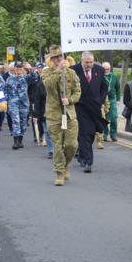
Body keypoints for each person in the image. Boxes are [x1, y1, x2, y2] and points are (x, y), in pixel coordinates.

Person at [42, 45, 80, 186]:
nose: (58, 59)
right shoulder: (47, 73)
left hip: (69, 114)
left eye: (60, 56)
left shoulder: (71, 73)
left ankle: (65, 165)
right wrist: (58, 71)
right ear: (51, 60)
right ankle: (59, 173)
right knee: (58, 146)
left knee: (71, 145)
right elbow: (48, 86)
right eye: (55, 57)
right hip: (54, 115)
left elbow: (77, 91)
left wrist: (70, 100)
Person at [70, 51, 108, 173]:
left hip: (95, 107)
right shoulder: (73, 70)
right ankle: (88, 161)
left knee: (91, 134)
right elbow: (68, 88)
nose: (89, 64)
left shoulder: (99, 70)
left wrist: (101, 100)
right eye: (87, 62)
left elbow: (104, 87)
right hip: (80, 107)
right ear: (82, 61)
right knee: (84, 133)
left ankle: (82, 154)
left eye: (91, 62)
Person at [5, 61, 38, 149]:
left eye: (20, 68)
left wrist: (30, 69)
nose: (18, 69)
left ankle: (20, 140)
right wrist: (6, 103)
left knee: (23, 122)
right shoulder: (9, 79)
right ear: (14, 68)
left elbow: (35, 76)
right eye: (17, 67)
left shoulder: (25, 77)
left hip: (24, 103)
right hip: (13, 103)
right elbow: (6, 91)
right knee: (16, 120)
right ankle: (15, 142)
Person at [29, 62, 53, 159]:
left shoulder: (57, 84)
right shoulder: (39, 85)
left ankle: (59, 148)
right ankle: (51, 150)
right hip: (44, 112)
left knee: (56, 131)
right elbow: (37, 101)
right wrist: (35, 115)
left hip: (55, 111)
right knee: (47, 131)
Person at [102, 61, 120, 143]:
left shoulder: (114, 76)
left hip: (112, 99)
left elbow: (118, 88)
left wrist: (118, 99)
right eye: (104, 69)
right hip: (102, 100)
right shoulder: (100, 77)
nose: (106, 70)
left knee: (113, 118)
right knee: (104, 118)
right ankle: (105, 134)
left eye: (108, 69)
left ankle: (113, 134)